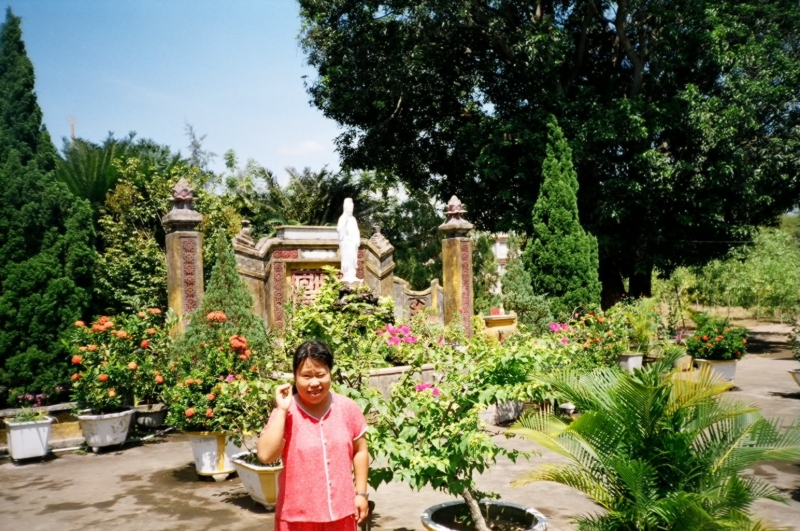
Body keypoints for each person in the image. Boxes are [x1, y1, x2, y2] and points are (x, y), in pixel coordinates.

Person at [257, 340, 369, 531]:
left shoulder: (347, 408)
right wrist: (282, 410)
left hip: (342, 514)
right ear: (295, 377)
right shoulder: (287, 412)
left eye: (320, 374)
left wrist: (361, 493)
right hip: (297, 519)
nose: (315, 382)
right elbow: (266, 456)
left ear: (330, 373)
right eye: (306, 376)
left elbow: (360, 451)